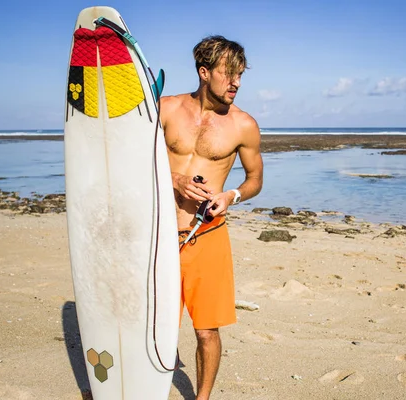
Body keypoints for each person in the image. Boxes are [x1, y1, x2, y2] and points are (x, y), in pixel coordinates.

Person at [159, 35, 263, 399]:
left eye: (240, 75)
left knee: (206, 331)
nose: (236, 82)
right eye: (228, 74)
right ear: (204, 73)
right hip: (157, 235)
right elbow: (130, 156)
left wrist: (230, 195)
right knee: (153, 325)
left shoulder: (243, 125)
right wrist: (172, 178)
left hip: (206, 235)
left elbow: (255, 181)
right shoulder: (165, 109)